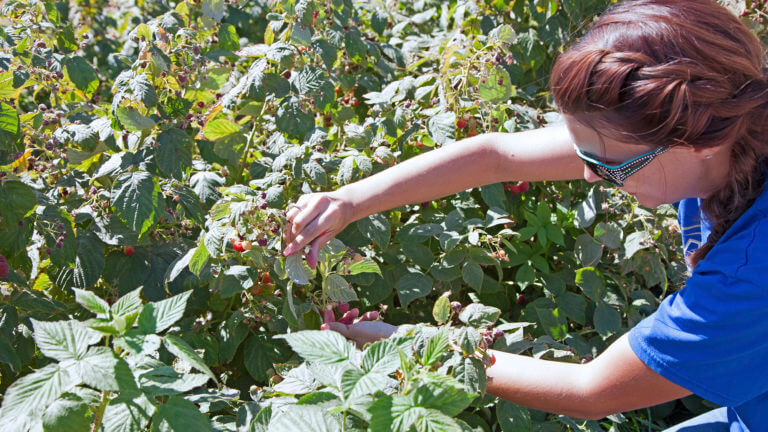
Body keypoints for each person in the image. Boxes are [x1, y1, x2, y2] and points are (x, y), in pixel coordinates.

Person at [281, 0, 768, 429]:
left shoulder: (751, 274)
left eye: (612, 165)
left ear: (706, 139)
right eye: (586, 157)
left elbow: (592, 391)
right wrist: (348, 200)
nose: (594, 177)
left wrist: (399, 343)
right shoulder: (719, 125)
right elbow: (497, 155)